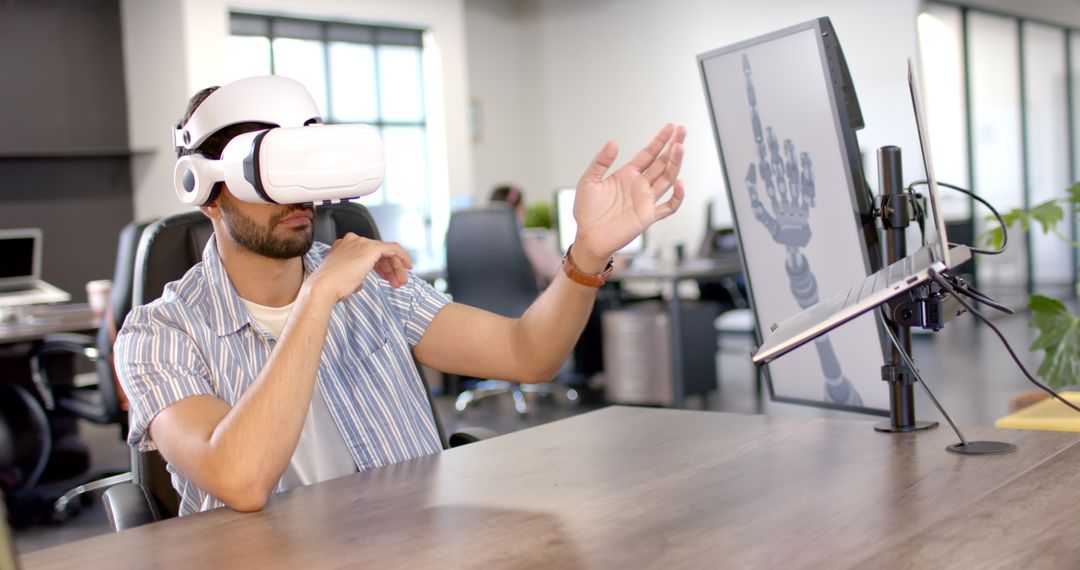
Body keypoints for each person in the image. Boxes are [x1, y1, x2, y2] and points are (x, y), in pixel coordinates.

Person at [115, 77, 686, 516]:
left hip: (412, 545)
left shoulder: (372, 285)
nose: (295, 198)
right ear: (205, 192)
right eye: (268, 174)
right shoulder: (158, 335)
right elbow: (238, 478)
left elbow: (528, 354)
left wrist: (586, 254)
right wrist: (317, 299)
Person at [488, 184, 563, 288]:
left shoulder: (477, 244)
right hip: (528, 303)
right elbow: (559, 271)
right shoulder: (526, 242)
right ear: (517, 210)